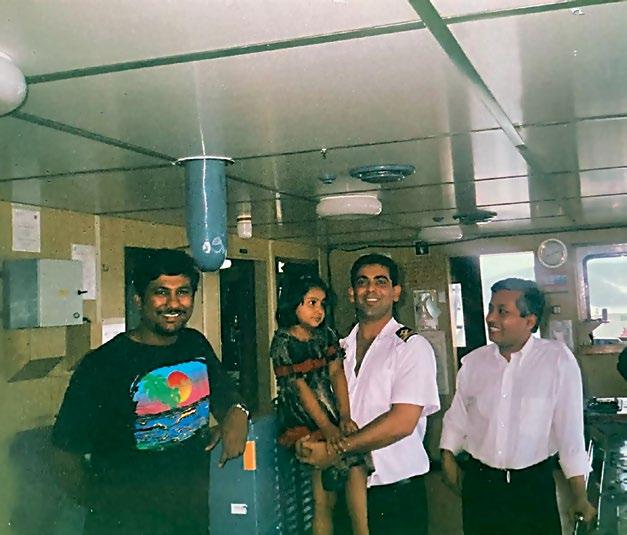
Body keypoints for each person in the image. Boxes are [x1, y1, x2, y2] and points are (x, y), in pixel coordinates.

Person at [51, 249, 249, 535]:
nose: (173, 303)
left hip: (191, 523)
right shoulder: (103, 364)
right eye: (161, 292)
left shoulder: (195, 345)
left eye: (183, 292)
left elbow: (226, 395)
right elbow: (64, 455)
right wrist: (108, 507)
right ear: (138, 299)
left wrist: (237, 413)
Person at [296, 254, 440, 535]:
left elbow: (402, 422)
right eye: (362, 282)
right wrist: (309, 441)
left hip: (395, 495)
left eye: (381, 282)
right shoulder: (336, 349)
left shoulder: (411, 347)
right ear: (352, 293)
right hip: (343, 490)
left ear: (396, 292)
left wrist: (336, 449)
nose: (371, 289)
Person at [440, 277, 597, 535]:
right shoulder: (474, 363)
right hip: (481, 485)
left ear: (530, 321)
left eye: (502, 312)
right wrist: (447, 456)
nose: (490, 318)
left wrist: (579, 496)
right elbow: (458, 416)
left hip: (532, 486)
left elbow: (570, 433)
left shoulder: (556, 360)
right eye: (491, 308)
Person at [270, 274, 371, 535]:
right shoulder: (283, 342)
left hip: (328, 410)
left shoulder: (326, 335)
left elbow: (337, 373)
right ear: (293, 303)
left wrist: (344, 416)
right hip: (303, 418)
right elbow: (299, 388)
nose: (319, 310)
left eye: (322, 304)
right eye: (311, 303)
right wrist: (327, 427)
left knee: (353, 468)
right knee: (322, 498)